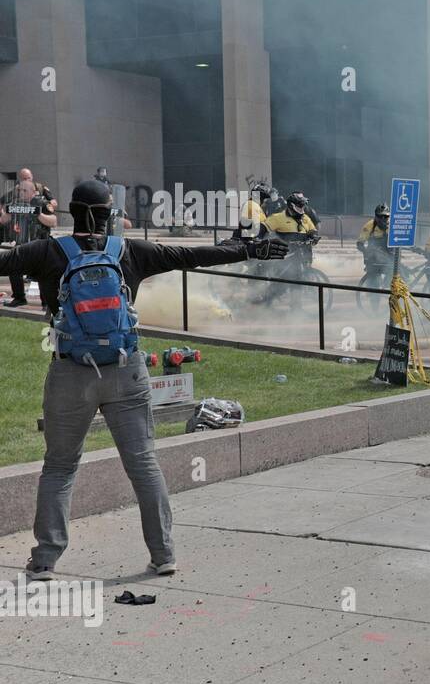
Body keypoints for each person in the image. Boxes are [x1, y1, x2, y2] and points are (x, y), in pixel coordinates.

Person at [0, 179, 287, 579]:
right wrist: (249, 249)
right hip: (126, 369)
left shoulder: (48, 251)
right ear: (107, 215)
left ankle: (46, 559)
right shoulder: (129, 251)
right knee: (143, 465)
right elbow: (192, 255)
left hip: (70, 372)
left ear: (72, 209)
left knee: (61, 467)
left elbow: (3, 263)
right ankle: (163, 554)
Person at [1, 176, 58, 306]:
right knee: (13, 269)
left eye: (24, 191)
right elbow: (3, 220)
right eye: (20, 190)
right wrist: (8, 214)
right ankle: (19, 297)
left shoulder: (42, 203)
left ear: (33, 192)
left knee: (42, 276)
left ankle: (46, 302)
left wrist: (39, 214)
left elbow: (53, 222)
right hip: (21, 243)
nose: (21, 193)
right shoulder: (15, 203)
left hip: (40, 245)